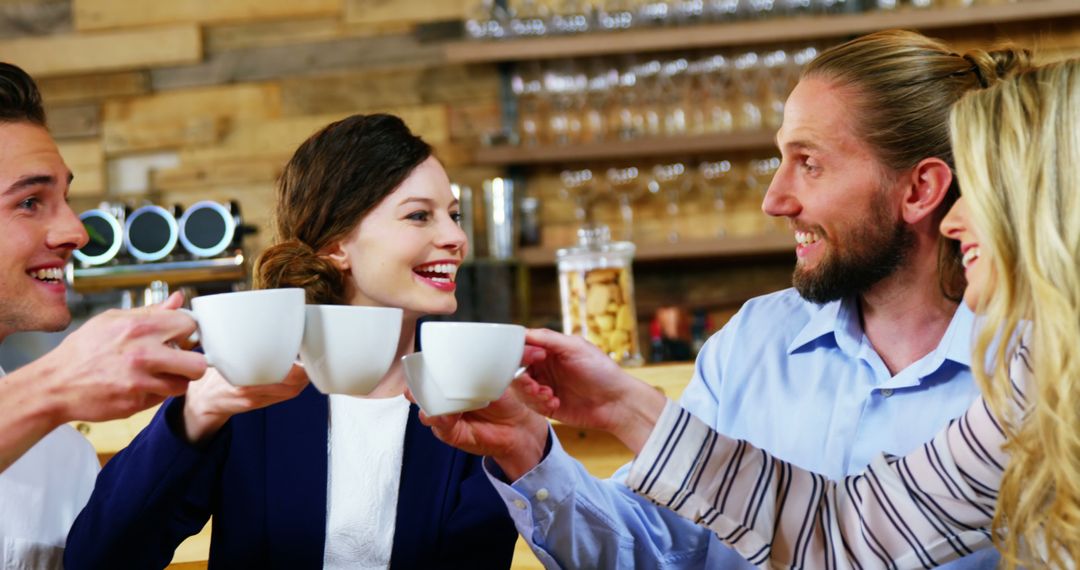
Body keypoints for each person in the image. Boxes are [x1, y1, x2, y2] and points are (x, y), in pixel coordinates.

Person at [417, 31, 1027, 569]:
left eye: (808, 163)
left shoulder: (1032, 371)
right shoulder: (756, 339)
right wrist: (531, 449)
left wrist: (634, 410)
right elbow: (677, 547)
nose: (774, 199)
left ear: (920, 189)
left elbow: (836, 539)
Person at [65, 114, 521, 568]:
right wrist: (193, 416)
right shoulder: (245, 374)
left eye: (453, 215)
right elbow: (99, 558)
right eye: (420, 216)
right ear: (337, 245)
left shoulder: (468, 379)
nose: (456, 237)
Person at [0, 62, 206, 568]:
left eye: (64, 198)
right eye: (30, 201)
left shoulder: (64, 457)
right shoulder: (51, 409)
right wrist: (56, 386)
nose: (77, 231)